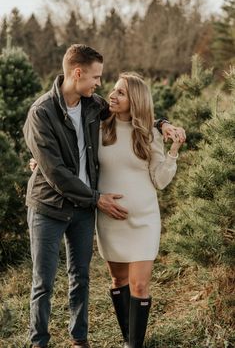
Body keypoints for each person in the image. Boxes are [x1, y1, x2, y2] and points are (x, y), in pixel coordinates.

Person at [23, 44, 184, 348]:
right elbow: (55, 169)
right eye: (97, 77)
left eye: (104, 81)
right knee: (43, 282)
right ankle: (38, 342)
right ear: (78, 73)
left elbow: (136, 109)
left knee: (80, 277)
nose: (101, 85)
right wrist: (94, 196)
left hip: (87, 210)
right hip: (54, 205)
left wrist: (161, 124)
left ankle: (80, 340)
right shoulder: (43, 112)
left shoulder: (92, 105)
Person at [96, 72, 185, 348]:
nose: (112, 94)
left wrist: (173, 151)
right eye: (114, 89)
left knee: (139, 286)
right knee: (117, 279)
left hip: (144, 220)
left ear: (135, 99)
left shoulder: (149, 133)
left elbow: (159, 180)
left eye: (121, 92)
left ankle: (135, 345)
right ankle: (128, 340)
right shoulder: (99, 128)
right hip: (109, 220)